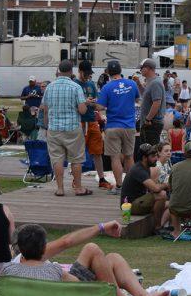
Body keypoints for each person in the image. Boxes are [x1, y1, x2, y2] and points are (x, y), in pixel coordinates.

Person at [1, 223, 169, 296]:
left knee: (112, 259)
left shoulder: (8, 270)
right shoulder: (54, 270)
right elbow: (82, 286)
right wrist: (101, 227)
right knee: (93, 249)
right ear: (44, 247)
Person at [40, 59, 91, 197]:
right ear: (71, 71)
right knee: (76, 159)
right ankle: (78, 188)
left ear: (58, 70)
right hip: (72, 127)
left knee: (57, 159)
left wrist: (46, 126)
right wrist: (86, 104)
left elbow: (44, 109)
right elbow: (82, 110)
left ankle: (60, 188)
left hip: (54, 128)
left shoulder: (50, 87)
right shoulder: (75, 87)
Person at [96, 60, 139, 191]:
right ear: (121, 70)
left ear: (108, 72)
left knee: (115, 157)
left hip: (113, 126)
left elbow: (100, 106)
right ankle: (130, 185)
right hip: (129, 125)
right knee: (129, 156)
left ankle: (119, 185)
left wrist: (93, 103)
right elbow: (137, 100)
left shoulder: (106, 87)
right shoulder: (132, 84)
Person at [119, 143, 169, 231]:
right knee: (162, 195)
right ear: (144, 158)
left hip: (139, 201)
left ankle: (164, 225)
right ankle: (158, 227)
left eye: (156, 155)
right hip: (130, 206)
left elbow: (152, 189)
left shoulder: (146, 167)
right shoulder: (139, 170)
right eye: (153, 156)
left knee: (171, 203)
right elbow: (155, 189)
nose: (156, 158)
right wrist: (167, 184)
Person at [76, 61, 108, 190]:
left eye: (89, 74)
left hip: (92, 120)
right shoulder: (75, 85)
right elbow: (74, 104)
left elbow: (97, 103)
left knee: (98, 151)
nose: (88, 76)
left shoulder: (91, 84)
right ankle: (75, 180)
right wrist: (85, 102)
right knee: (78, 152)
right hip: (80, 121)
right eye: (86, 73)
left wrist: (96, 103)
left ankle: (101, 179)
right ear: (80, 71)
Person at [135, 58, 164, 146]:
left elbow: (157, 102)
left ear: (148, 68)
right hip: (150, 122)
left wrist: (148, 119)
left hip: (152, 123)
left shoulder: (155, 82)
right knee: (147, 150)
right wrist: (139, 84)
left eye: (141, 68)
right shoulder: (151, 81)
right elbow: (146, 95)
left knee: (150, 151)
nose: (140, 70)